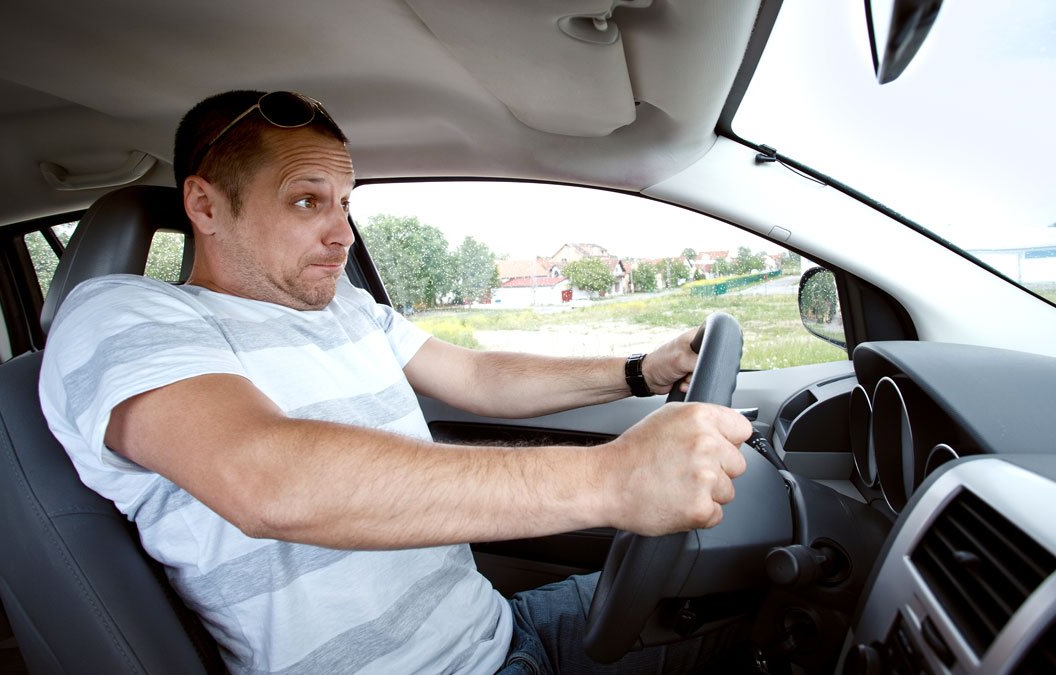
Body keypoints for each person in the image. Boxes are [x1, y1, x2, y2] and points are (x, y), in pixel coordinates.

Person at [39, 90, 751, 674]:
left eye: (345, 201)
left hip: (497, 627)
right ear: (203, 205)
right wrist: (610, 478)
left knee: (755, 602)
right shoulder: (123, 315)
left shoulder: (344, 305)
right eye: (306, 201)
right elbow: (267, 477)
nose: (342, 233)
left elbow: (476, 373)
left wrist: (639, 371)